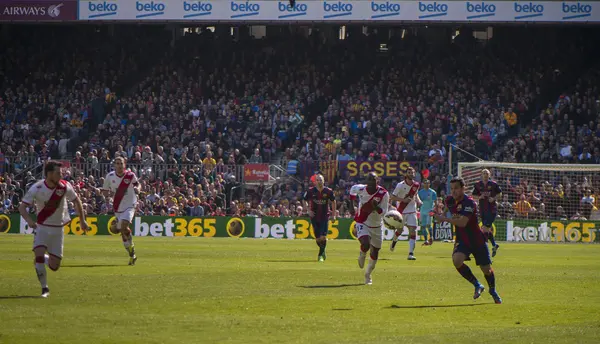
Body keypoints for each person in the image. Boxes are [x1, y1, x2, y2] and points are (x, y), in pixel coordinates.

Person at [18, 161, 89, 298]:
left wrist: (82, 220)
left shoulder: (64, 186)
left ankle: (43, 259)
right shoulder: (37, 188)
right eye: (58, 173)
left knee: (54, 266)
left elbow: (76, 201)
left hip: (58, 229)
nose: (61, 175)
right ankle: (45, 288)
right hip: (42, 228)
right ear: (49, 174)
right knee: (38, 255)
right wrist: (30, 221)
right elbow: (22, 207)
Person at [433, 177, 502, 304]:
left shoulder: (470, 203)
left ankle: (492, 290)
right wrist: (439, 215)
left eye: (456, 188)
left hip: (477, 240)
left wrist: (445, 220)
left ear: (463, 188)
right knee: (457, 260)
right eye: (452, 188)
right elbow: (445, 212)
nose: (453, 191)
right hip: (462, 239)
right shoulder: (449, 200)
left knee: (486, 269)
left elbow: (462, 222)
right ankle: (477, 284)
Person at [349, 172, 389, 285]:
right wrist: (351, 205)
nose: (371, 182)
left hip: (377, 225)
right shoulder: (360, 189)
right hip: (362, 221)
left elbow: (384, 213)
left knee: (375, 253)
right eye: (369, 180)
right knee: (365, 244)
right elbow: (352, 190)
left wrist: (376, 207)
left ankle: (367, 274)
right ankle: (362, 253)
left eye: (374, 180)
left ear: (378, 181)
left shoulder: (383, 194)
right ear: (366, 181)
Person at [102, 157, 140, 265]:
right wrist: (108, 195)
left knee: (123, 226)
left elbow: (137, 184)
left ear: (124, 164)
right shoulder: (110, 177)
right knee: (123, 232)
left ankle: (130, 247)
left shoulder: (130, 175)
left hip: (130, 204)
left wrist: (138, 189)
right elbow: (105, 191)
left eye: (121, 163)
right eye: (117, 163)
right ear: (114, 165)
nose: (119, 165)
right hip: (118, 206)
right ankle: (132, 254)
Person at [390, 167, 422, 260]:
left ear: (414, 174)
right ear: (406, 174)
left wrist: (419, 201)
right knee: (399, 231)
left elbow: (415, 195)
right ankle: (394, 241)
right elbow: (392, 197)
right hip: (402, 211)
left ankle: (411, 253)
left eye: (412, 172)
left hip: (412, 210)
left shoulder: (416, 185)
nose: (411, 174)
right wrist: (403, 200)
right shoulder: (400, 185)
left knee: (413, 231)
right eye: (409, 172)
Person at [303, 174, 336, 262]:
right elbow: (304, 200)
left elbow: (333, 202)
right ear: (315, 182)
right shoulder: (310, 191)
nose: (319, 182)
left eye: (320, 180)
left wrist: (333, 215)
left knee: (323, 237)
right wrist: (308, 210)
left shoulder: (328, 191)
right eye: (317, 180)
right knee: (317, 239)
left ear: (323, 181)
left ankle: (320, 255)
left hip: (324, 216)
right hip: (314, 216)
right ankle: (323, 250)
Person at [471, 169, 502, 257]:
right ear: (481, 175)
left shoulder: (493, 184)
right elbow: (473, 195)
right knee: (486, 229)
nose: (485, 175)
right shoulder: (478, 185)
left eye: (487, 173)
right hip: (482, 210)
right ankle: (494, 245)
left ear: (489, 175)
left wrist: (493, 198)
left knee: (484, 229)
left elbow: (500, 193)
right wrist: (479, 196)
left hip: (491, 210)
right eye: (484, 173)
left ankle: (484, 250)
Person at [417, 179, 437, 246]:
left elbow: (435, 202)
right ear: (423, 184)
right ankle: (426, 240)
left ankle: (431, 237)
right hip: (422, 211)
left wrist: (433, 210)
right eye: (425, 183)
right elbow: (418, 201)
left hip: (429, 210)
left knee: (428, 225)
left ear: (429, 184)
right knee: (423, 226)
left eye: (428, 183)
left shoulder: (433, 192)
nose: (426, 184)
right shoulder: (420, 192)